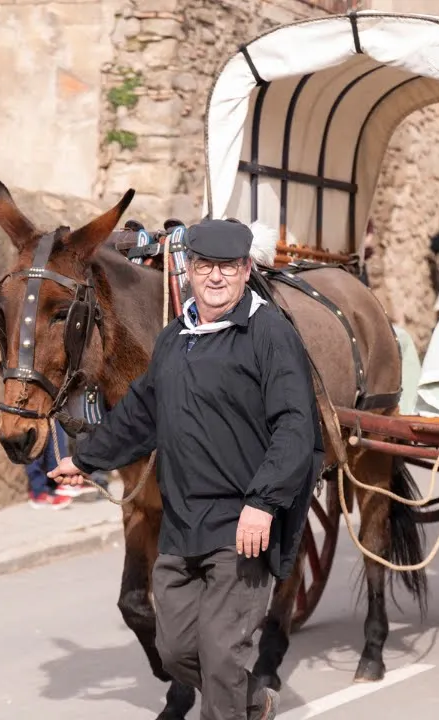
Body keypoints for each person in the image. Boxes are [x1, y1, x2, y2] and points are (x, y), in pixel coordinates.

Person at [48, 218, 324, 720]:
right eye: (205, 266)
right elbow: (141, 410)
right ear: (189, 270)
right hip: (181, 527)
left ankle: (232, 701)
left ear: (245, 270)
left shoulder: (269, 333)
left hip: (240, 528)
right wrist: (86, 459)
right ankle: (253, 701)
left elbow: (294, 426)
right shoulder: (177, 336)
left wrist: (263, 504)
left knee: (221, 660)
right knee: (175, 652)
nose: (215, 277)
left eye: (227, 267)